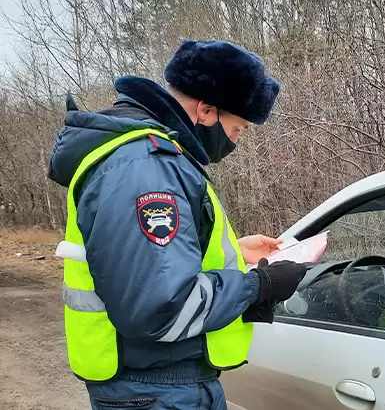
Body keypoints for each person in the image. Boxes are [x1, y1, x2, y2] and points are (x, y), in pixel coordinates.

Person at [48, 39, 308, 410]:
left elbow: (154, 262)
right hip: (157, 393)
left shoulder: (150, 159)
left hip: (159, 387)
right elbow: (160, 307)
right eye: (238, 128)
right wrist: (259, 286)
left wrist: (232, 250)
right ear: (205, 110)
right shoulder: (147, 167)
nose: (235, 140)